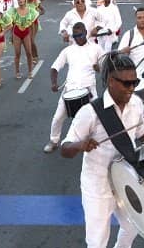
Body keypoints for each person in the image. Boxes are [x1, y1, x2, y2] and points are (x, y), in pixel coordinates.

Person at [60, 52, 144, 248]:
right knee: (97, 236)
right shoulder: (89, 113)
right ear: (111, 81)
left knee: (136, 223)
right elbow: (65, 148)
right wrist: (80, 145)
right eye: (126, 83)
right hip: (97, 184)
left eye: (135, 82)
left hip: (125, 179)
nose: (132, 88)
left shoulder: (136, 104)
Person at [44, 22, 104, 152]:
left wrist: (98, 68)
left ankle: (99, 142)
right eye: (75, 36)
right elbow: (54, 67)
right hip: (69, 90)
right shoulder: (68, 50)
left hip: (89, 89)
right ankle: (54, 141)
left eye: (80, 35)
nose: (78, 38)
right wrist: (54, 83)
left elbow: (105, 68)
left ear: (86, 33)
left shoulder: (96, 48)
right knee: (57, 118)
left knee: (99, 117)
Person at [6, 0, 40, 79]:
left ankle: (30, 71)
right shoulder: (13, 11)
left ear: (25, 0)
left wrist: (32, 37)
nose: (20, 1)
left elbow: (33, 25)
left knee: (29, 53)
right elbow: (12, 25)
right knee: (17, 53)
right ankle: (17, 72)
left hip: (26, 33)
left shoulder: (31, 11)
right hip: (16, 33)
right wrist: (11, 36)